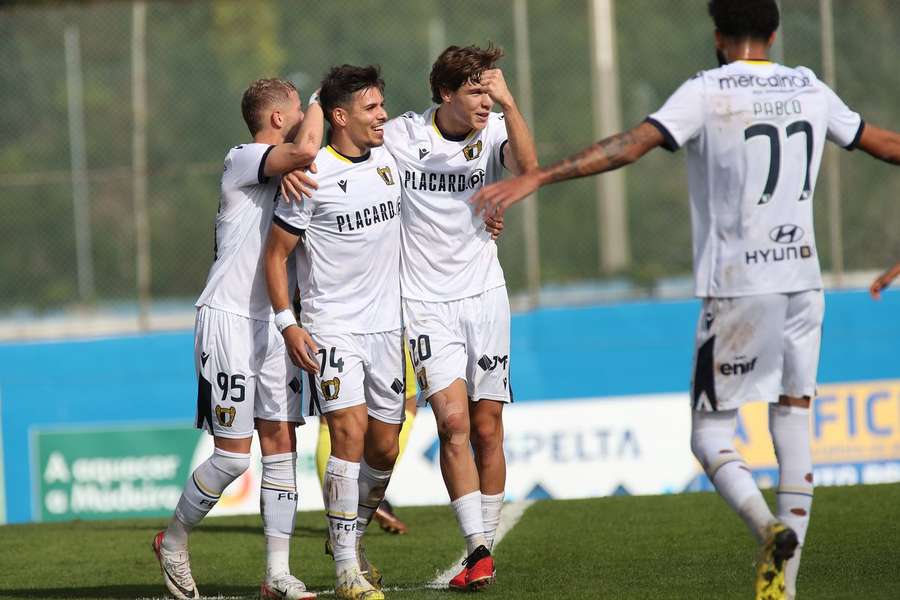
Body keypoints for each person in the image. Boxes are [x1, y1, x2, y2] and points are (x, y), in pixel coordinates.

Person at [472, 2, 900, 598]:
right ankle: (787, 584)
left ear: (719, 37)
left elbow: (629, 145)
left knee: (709, 436)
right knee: (794, 416)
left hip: (738, 287)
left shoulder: (707, 91)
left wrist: (540, 176)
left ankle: (765, 525)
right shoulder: (808, 87)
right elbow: (884, 145)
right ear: (773, 34)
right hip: (803, 281)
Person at [152, 78, 323, 600]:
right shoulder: (243, 157)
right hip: (227, 319)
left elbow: (307, 157)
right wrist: (323, 100)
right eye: (296, 109)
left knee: (282, 444)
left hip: (275, 320)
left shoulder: (285, 165)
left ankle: (277, 574)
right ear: (277, 119)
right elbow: (309, 147)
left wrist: (297, 162)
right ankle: (174, 540)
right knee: (231, 457)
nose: (303, 115)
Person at [381, 43, 538, 591]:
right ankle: (477, 546)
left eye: (489, 90)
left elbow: (528, 171)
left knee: (488, 427)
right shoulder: (404, 136)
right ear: (445, 94)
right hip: (424, 303)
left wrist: (510, 106)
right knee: (452, 424)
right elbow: (349, 153)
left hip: (484, 296)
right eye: (475, 91)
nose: (484, 102)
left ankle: (484, 550)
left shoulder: (495, 127)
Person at [265, 64, 402, 600]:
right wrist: (289, 325)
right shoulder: (310, 173)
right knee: (347, 432)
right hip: (332, 329)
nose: (383, 115)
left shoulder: (393, 157)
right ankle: (347, 569)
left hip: (389, 328)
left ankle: (347, 533)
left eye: (383, 106)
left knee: (385, 449)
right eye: (371, 109)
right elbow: (275, 257)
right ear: (340, 116)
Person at [314, 348, 418, 535]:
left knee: (331, 415)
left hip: (330, 327)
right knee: (407, 399)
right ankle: (366, 493)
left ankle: (339, 507)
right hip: (384, 328)